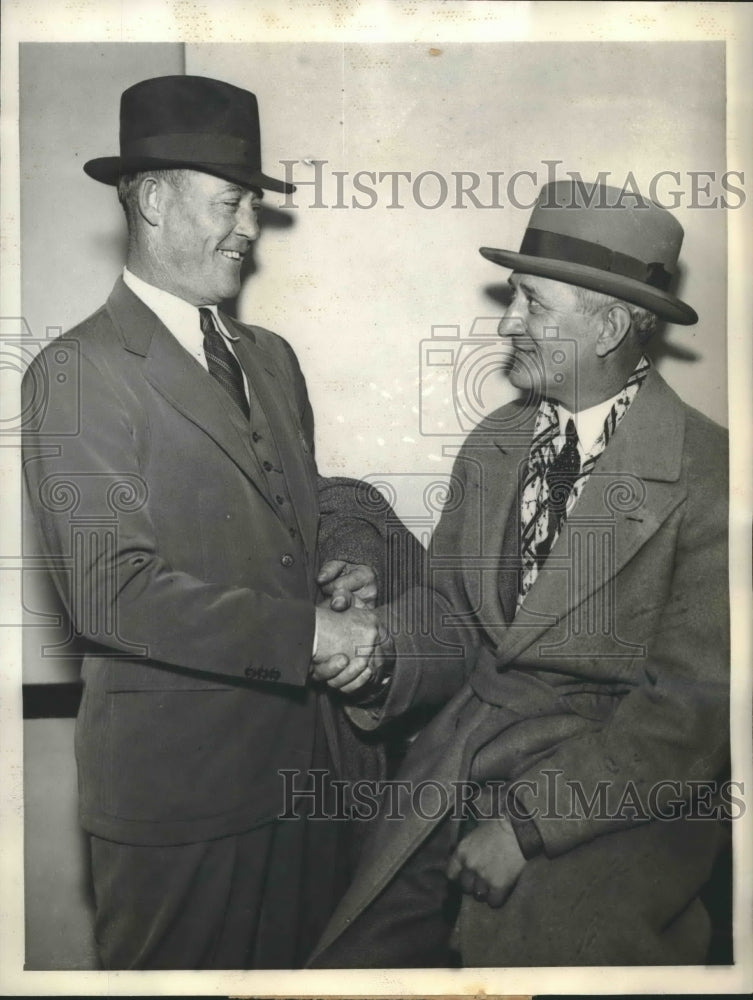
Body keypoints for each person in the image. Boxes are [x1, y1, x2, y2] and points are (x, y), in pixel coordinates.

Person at [21, 74, 395, 970]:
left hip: (313, 786)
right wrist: (311, 633)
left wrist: (336, 563)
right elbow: (114, 594)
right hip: (181, 809)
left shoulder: (271, 359)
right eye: (231, 202)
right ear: (151, 199)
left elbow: (293, 512)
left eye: (252, 206)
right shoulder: (76, 372)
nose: (249, 228)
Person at [309, 180, 730, 968]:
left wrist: (527, 825)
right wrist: (379, 647)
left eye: (532, 304)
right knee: (352, 962)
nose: (506, 324)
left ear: (607, 324)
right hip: (457, 761)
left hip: (608, 802)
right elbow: (450, 614)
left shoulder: (713, 477)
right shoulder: (493, 444)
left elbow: (687, 717)